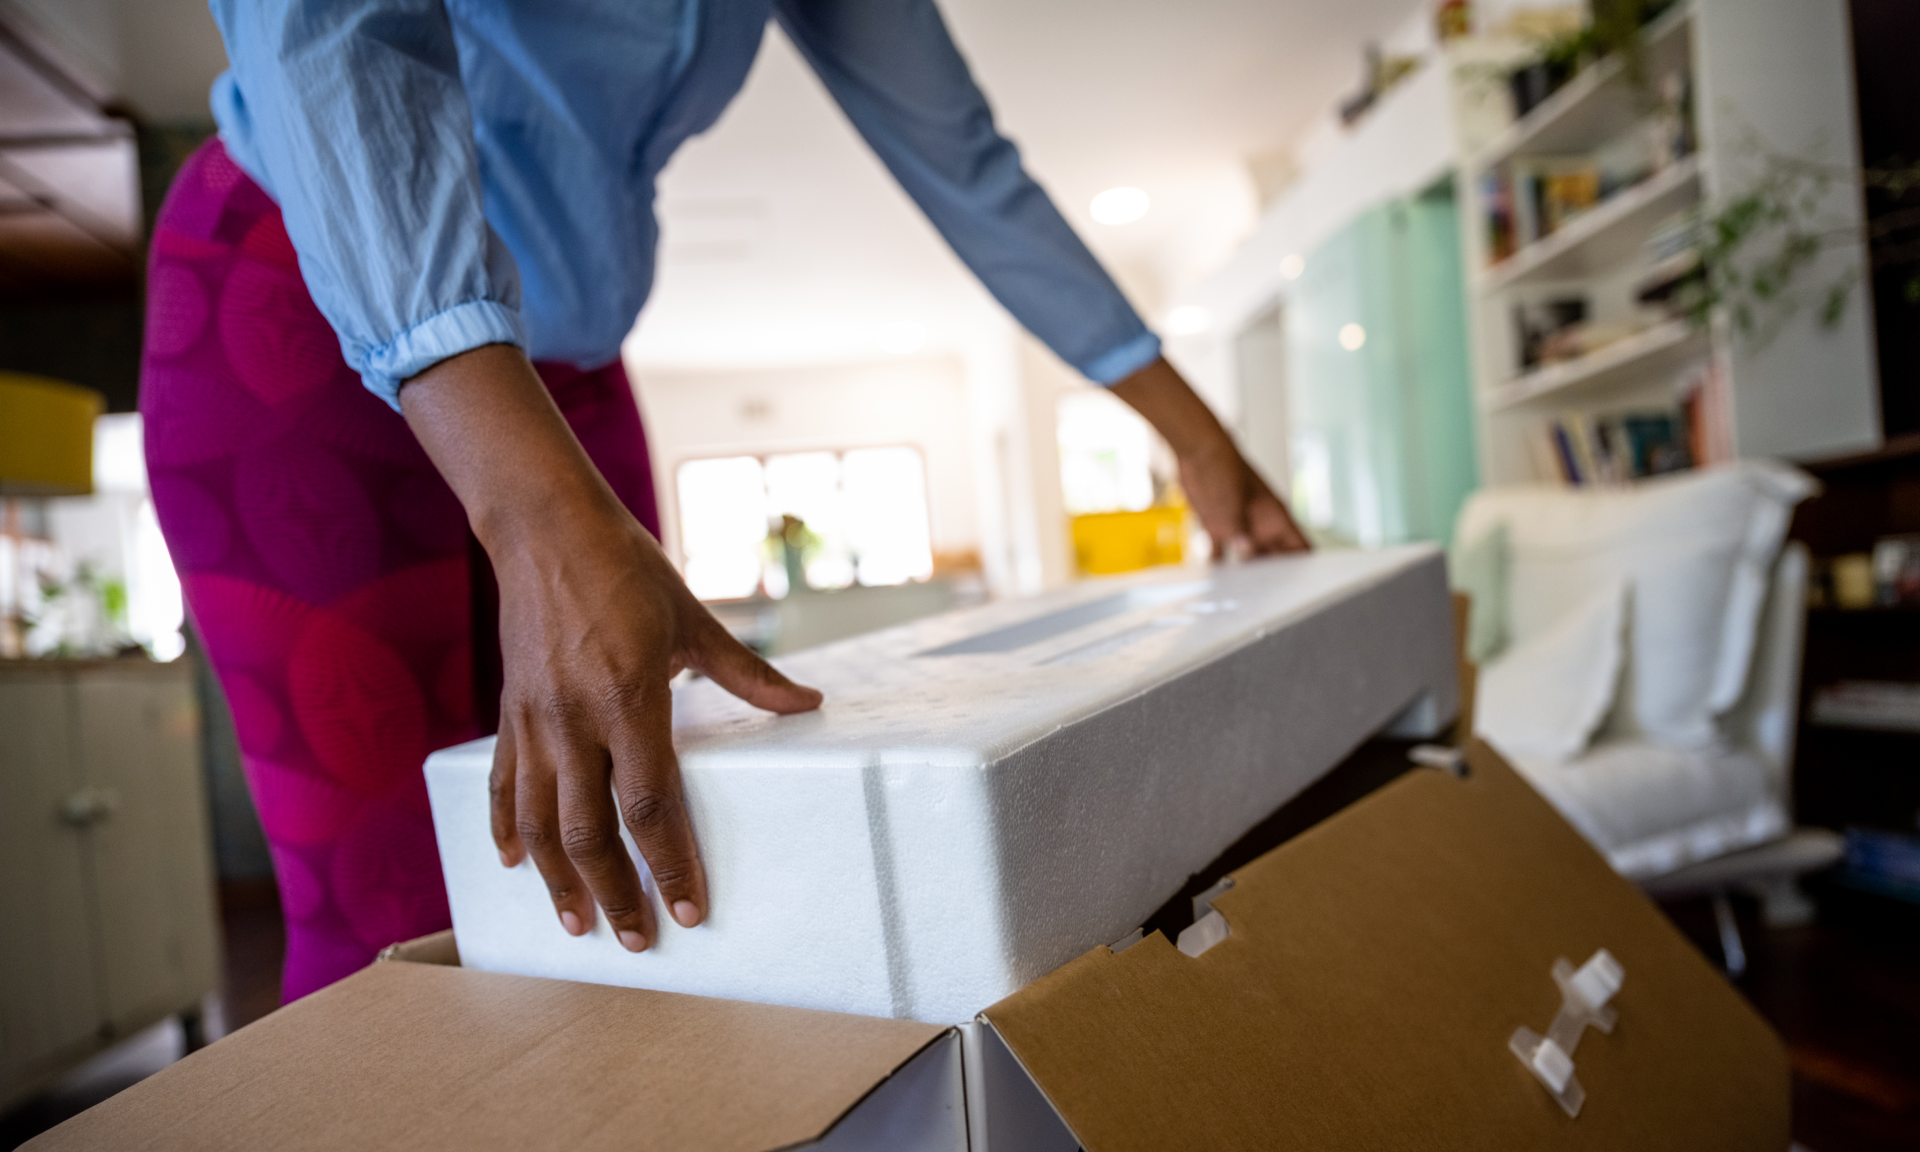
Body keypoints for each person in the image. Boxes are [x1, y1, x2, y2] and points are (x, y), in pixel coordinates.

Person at [145, 0, 1307, 1002]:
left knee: (631, 861)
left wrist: (1196, 440)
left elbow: (964, 162)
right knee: (390, 911)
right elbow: (331, 34)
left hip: (574, 370)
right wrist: (534, 517)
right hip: (300, 302)